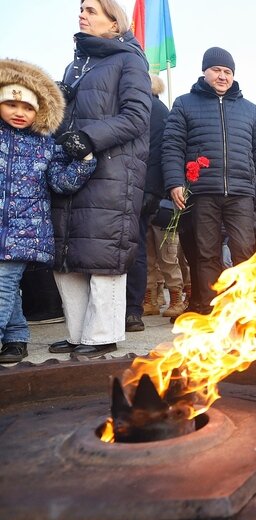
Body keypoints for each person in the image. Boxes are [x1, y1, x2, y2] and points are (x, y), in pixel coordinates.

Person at [49, 0, 151, 359]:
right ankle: (79, 333)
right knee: (68, 252)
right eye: (81, 8)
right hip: (71, 170)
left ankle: (103, 333)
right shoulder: (74, 66)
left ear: (114, 22)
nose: (82, 14)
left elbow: (137, 116)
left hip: (112, 172)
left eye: (91, 9)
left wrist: (89, 138)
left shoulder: (130, 60)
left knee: (103, 253)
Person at [162, 46, 256, 315]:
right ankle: (213, 311)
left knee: (244, 252)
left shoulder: (250, 110)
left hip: (241, 192)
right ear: (204, 71)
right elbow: (172, 146)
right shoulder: (184, 103)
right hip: (202, 192)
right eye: (217, 70)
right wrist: (175, 182)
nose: (222, 76)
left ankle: (245, 309)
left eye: (228, 72)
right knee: (206, 254)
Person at [0, 59, 97, 364]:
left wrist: (84, 161)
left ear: (39, 111)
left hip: (24, 232)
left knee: (3, 283)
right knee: (8, 286)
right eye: (10, 103)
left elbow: (62, 182)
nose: (19, 112)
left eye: (27, 107)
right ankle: (16, 337)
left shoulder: (46, 145)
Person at [124, 73, 175, 332]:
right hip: (127, 188)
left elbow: (161, 152)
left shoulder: (156, 109)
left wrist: (153, 191)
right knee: (138, 250)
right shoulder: (127, 104)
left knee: (138, 250)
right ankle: (133, 308)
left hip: (140, 189)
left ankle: (133, 309)